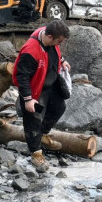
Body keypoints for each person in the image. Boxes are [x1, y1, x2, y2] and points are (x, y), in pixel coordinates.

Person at [13, 19, 70, 172]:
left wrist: (62, 61)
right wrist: (27, 99)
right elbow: (21, 76)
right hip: (34, 89)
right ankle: (36, 154)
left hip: (50, 83)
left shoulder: (48, 34)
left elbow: (54, 51)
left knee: (59, 107)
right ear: (50, 37)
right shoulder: (30, 51)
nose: (60, 43)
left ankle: (43, 135)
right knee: (33, 121)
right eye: (59, 41)